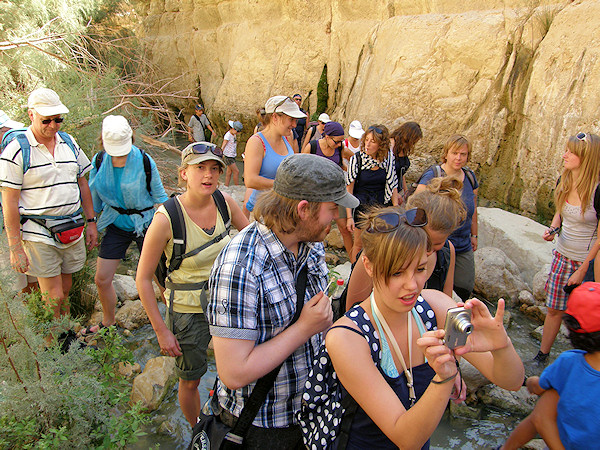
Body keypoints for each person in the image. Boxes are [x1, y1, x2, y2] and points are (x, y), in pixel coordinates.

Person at [326, 206, 524, 449]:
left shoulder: (437, 306)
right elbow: (406, 439)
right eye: (397, 272)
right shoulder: (346, 338)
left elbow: (512, 381)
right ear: (368, 265)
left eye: (420, 269)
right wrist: (445, 377)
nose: (412, 285)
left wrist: (501, 344)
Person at [207, 153, 359, 447]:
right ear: (304, 209)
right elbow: (233, 372)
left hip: (308, 414)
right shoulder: (241, 266)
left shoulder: (310, 243)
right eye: (333, 209)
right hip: (262, 426)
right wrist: (304, 328)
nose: (338, 217)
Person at [136, 142, 248, 428]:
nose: (208, 175)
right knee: (190, 380)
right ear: (183, 173)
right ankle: (198, 429)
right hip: (187, 313)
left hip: (227, 303)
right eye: (200, 168)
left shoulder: (225, 203)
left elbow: (252, 244)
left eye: (214, 169)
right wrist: (162, 331)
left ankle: (231, 419)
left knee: (236, 369)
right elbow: (142, 278)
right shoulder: (166, 219)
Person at [0, 88, 97, 319]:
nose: (53, 126)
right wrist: (15, 247)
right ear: (31, 115)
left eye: (58, 119)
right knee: (53, 296)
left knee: (65, 289)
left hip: (71, 229)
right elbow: (9, 201)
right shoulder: (16, 150)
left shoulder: (69, 142)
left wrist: (91, 222)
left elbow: (83, 183)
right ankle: (55, 345)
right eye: (47, 120)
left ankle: (65, 338)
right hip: (37, 233)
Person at [82, 115, 168, 334]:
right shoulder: (99, 161)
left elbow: (161, 197)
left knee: (159, 278)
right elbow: (93, 196)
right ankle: (109, 320)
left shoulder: (145, 161)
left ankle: (170, 322)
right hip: (116, 223)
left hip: (146, 222)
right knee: (102, 279)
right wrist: (90, 223)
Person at [503, 282, 600, 450]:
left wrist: (532, 382)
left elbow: (539, 393)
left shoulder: (569, 364)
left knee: (539, 412)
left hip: (563, 443)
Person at [345, 176, 465, 309]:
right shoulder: (382, 249)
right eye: (397, 272)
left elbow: (446, 304)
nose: (428, 250)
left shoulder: (447, 253)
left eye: (437, 245)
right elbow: (353, 307)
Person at [533, 133, 600, 365]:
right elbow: (560, 210)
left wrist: (584, 269)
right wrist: (553, 228)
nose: (565, 155)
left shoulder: (597, 190)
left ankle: (585, 365)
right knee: (553, 309)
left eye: (571, 152)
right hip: (562, 255)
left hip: (588, 263)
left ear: (586, 157)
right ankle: (542, 355)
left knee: (586, 318)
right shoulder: (565, 179)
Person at [415, 134, 478, 301]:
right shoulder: (433, 174)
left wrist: (474, 235)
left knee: (465, 285)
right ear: (446, 153)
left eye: (463, 154)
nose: (458, 158)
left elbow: (474, 209)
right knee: (432, 285)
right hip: (436, 245)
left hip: (463, 243)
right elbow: (415, 204)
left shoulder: (470, 177)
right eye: (454, 153)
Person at [302, 121, 356, 258]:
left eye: (341, 141)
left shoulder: (340, 148)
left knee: (344, 228)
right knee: (315, 227)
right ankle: (311, 257)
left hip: (336, 193)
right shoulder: (312, 147)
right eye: (336, 141)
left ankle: (353, 262)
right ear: (326, 136)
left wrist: (350, 171)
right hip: (317, 195)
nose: (339, 144)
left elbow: (355, 160)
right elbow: (301, 168)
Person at [244, 96, 305, 214]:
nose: (294, 125)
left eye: (295, 120)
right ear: (275, 117)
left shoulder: (288, 136)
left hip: (283, 209)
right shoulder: (257, 142)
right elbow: (250, 180)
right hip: (263, 211)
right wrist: (285, 186)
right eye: (291, 119)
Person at [346, 124, 399, 262]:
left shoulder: (388, 159)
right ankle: (354, 274)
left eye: (373, 141)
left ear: (381, 145)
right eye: (367, 140)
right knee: (358, 244)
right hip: (361, 206)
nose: (367, 144)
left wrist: (396, 208)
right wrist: (348, 217)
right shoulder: (357, 159)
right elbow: (349, 190)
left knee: (377, 243)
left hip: (380, 206)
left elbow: (392, 185)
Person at [0, 110, 38, 294]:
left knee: (26, 278)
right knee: (20, 280)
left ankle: (35, 318)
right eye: (5, 131)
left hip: (23, 224)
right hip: (24, 224)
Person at [390, 122, 423, 203]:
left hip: (398, 190)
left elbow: (401, 173)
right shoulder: (391, 144)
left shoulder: (404, 148)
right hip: (388, 191)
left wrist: (405, 191)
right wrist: (394, 193)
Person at [222, 120, 243, 186]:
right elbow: (224, 144)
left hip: (232, 155)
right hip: (228, 156)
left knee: (229, 172)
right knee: (236, 171)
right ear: (233, 129)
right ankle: (236, 186)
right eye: (237, 131)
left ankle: (226, 185)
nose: (238, 133)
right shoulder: (228, 135)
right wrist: (221, 152)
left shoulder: (233, 134)